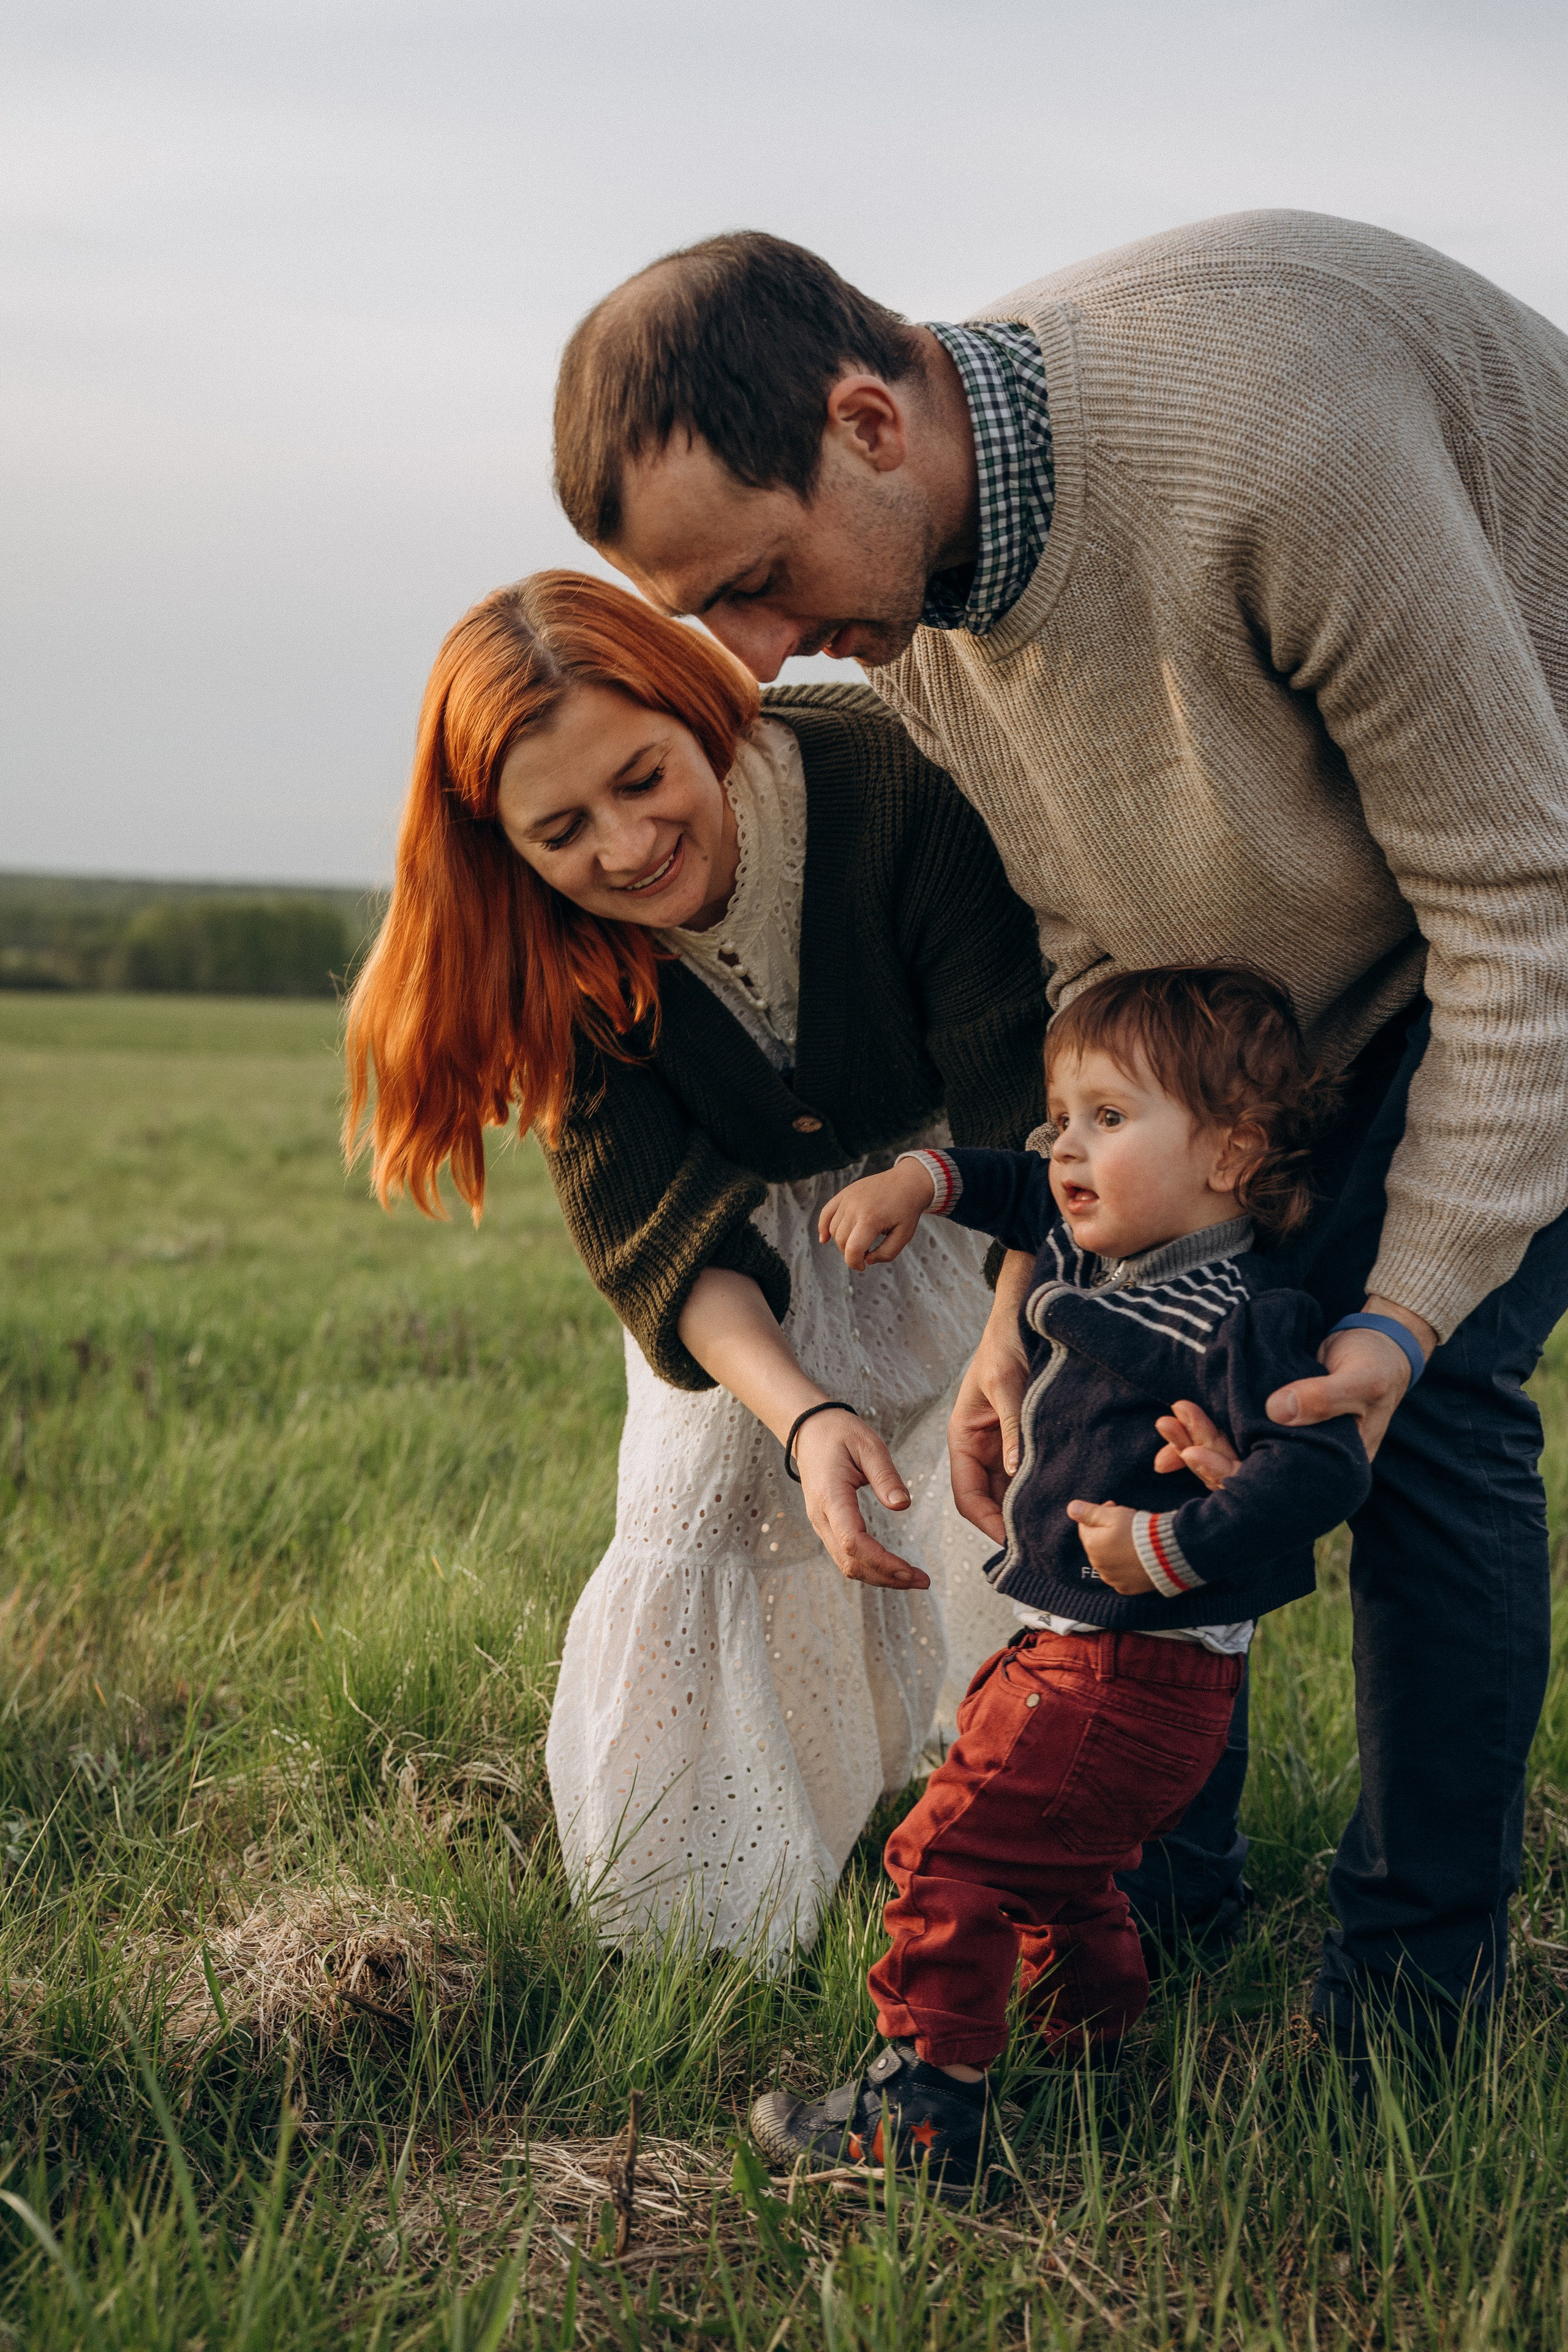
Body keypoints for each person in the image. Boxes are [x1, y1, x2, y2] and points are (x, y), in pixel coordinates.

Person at [551, 210, 1568, 2059]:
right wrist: (1033, 1296)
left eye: (766, 580)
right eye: (718, 617)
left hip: (1530, 874)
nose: (767, 658)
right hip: (1286, 966)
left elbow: (1517, 909)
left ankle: (1417, 2000)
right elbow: (1103, 954)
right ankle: (1152, 1905)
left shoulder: (1277, 445)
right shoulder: (911, 604)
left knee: (1419, 1419)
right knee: (1149, 1371)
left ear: (871, 421)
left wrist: (1403, 1313)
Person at [343, 568, 1052, 1957]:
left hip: (968, 1197)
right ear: (507, 845)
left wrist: (1011, 1328)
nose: (624, 844)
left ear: (693, 705)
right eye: (562, 830)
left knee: (1015, 1476)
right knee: (702, 1504)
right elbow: (658, 1235)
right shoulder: (546, 946)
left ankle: (1011, 1846)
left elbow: (1016, 1090)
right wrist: (802, 1417)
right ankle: (693, 1931)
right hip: (744, 1273)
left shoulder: (887, 785)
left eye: (643, 776)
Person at [748, 965, 1372, 2189]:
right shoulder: (1106, 1246)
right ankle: (1089, 2049)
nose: (1063, 1150)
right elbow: (1010, 1186)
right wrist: (918, 1180)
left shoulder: (1237, 1315)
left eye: (1107, 1118)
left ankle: (920, 2115)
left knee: (942, 1858)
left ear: (1233, 1153)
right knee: (1061, 1867)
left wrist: (1163, 1548)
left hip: (1125, 1673)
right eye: (1058, 1117)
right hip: (1091, 1669)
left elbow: (1323, 1471)